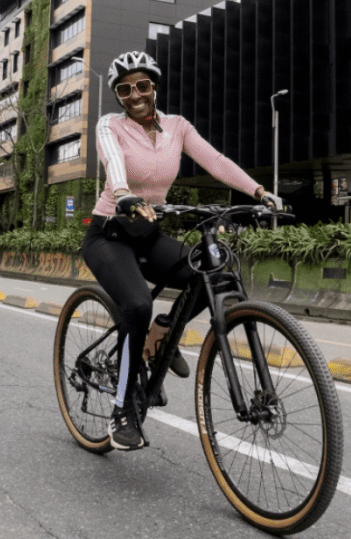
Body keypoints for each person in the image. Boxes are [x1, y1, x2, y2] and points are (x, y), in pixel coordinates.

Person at [86, 51, 284, 451]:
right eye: (124, 89)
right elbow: (112, 160)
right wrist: (123, 194)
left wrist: (259, 192)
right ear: (118, 96)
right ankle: (122, 410)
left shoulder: (177, 126)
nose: (135, 95)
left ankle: (161, 336)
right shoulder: (110, 125)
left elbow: (215, 160)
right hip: (110, 235)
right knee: (137, 305)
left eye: (142, 85)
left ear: (155, 87)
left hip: (148, 235)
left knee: (212, 269)